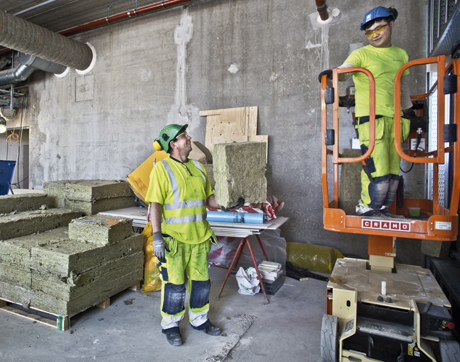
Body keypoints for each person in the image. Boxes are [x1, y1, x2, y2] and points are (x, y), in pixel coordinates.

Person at [319, 6, 412, 217]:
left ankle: (382, 207)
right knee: (375, 164)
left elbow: (403, 86)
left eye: (379, 28)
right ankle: (366, 206)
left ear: (392, 25)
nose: (375, 34)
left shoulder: (401, 54)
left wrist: (408, 111)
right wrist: (332, 76)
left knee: (392, 169)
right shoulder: (361, 54)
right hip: (370, 119)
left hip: (395, 118)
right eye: (370, 32)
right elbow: (343, 72)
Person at [145, 123, 222, 346]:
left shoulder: (198, 167)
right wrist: (157, 236)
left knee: (201, 284)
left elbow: (209, 199)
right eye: (183, 136)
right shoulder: (162, 168)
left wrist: (227, 204)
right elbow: (155, 204)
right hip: (174, 241)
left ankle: (199, 320)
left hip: (200, 238)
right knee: (175, 286)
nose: (189, 138)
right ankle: (170, 325)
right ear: (173, 144)